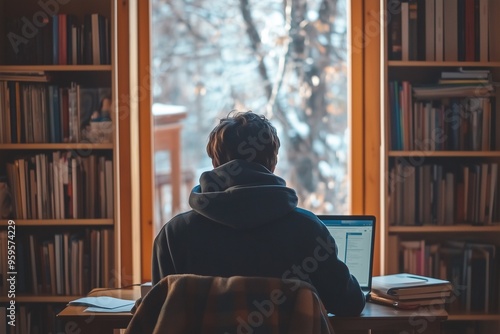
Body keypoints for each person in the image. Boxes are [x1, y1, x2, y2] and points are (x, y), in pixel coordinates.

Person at [151, 111, 366, 316]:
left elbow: (161, 313)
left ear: (215, 163)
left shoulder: (174, 235)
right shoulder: (308, 230)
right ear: (272, 163)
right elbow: (350, 304)